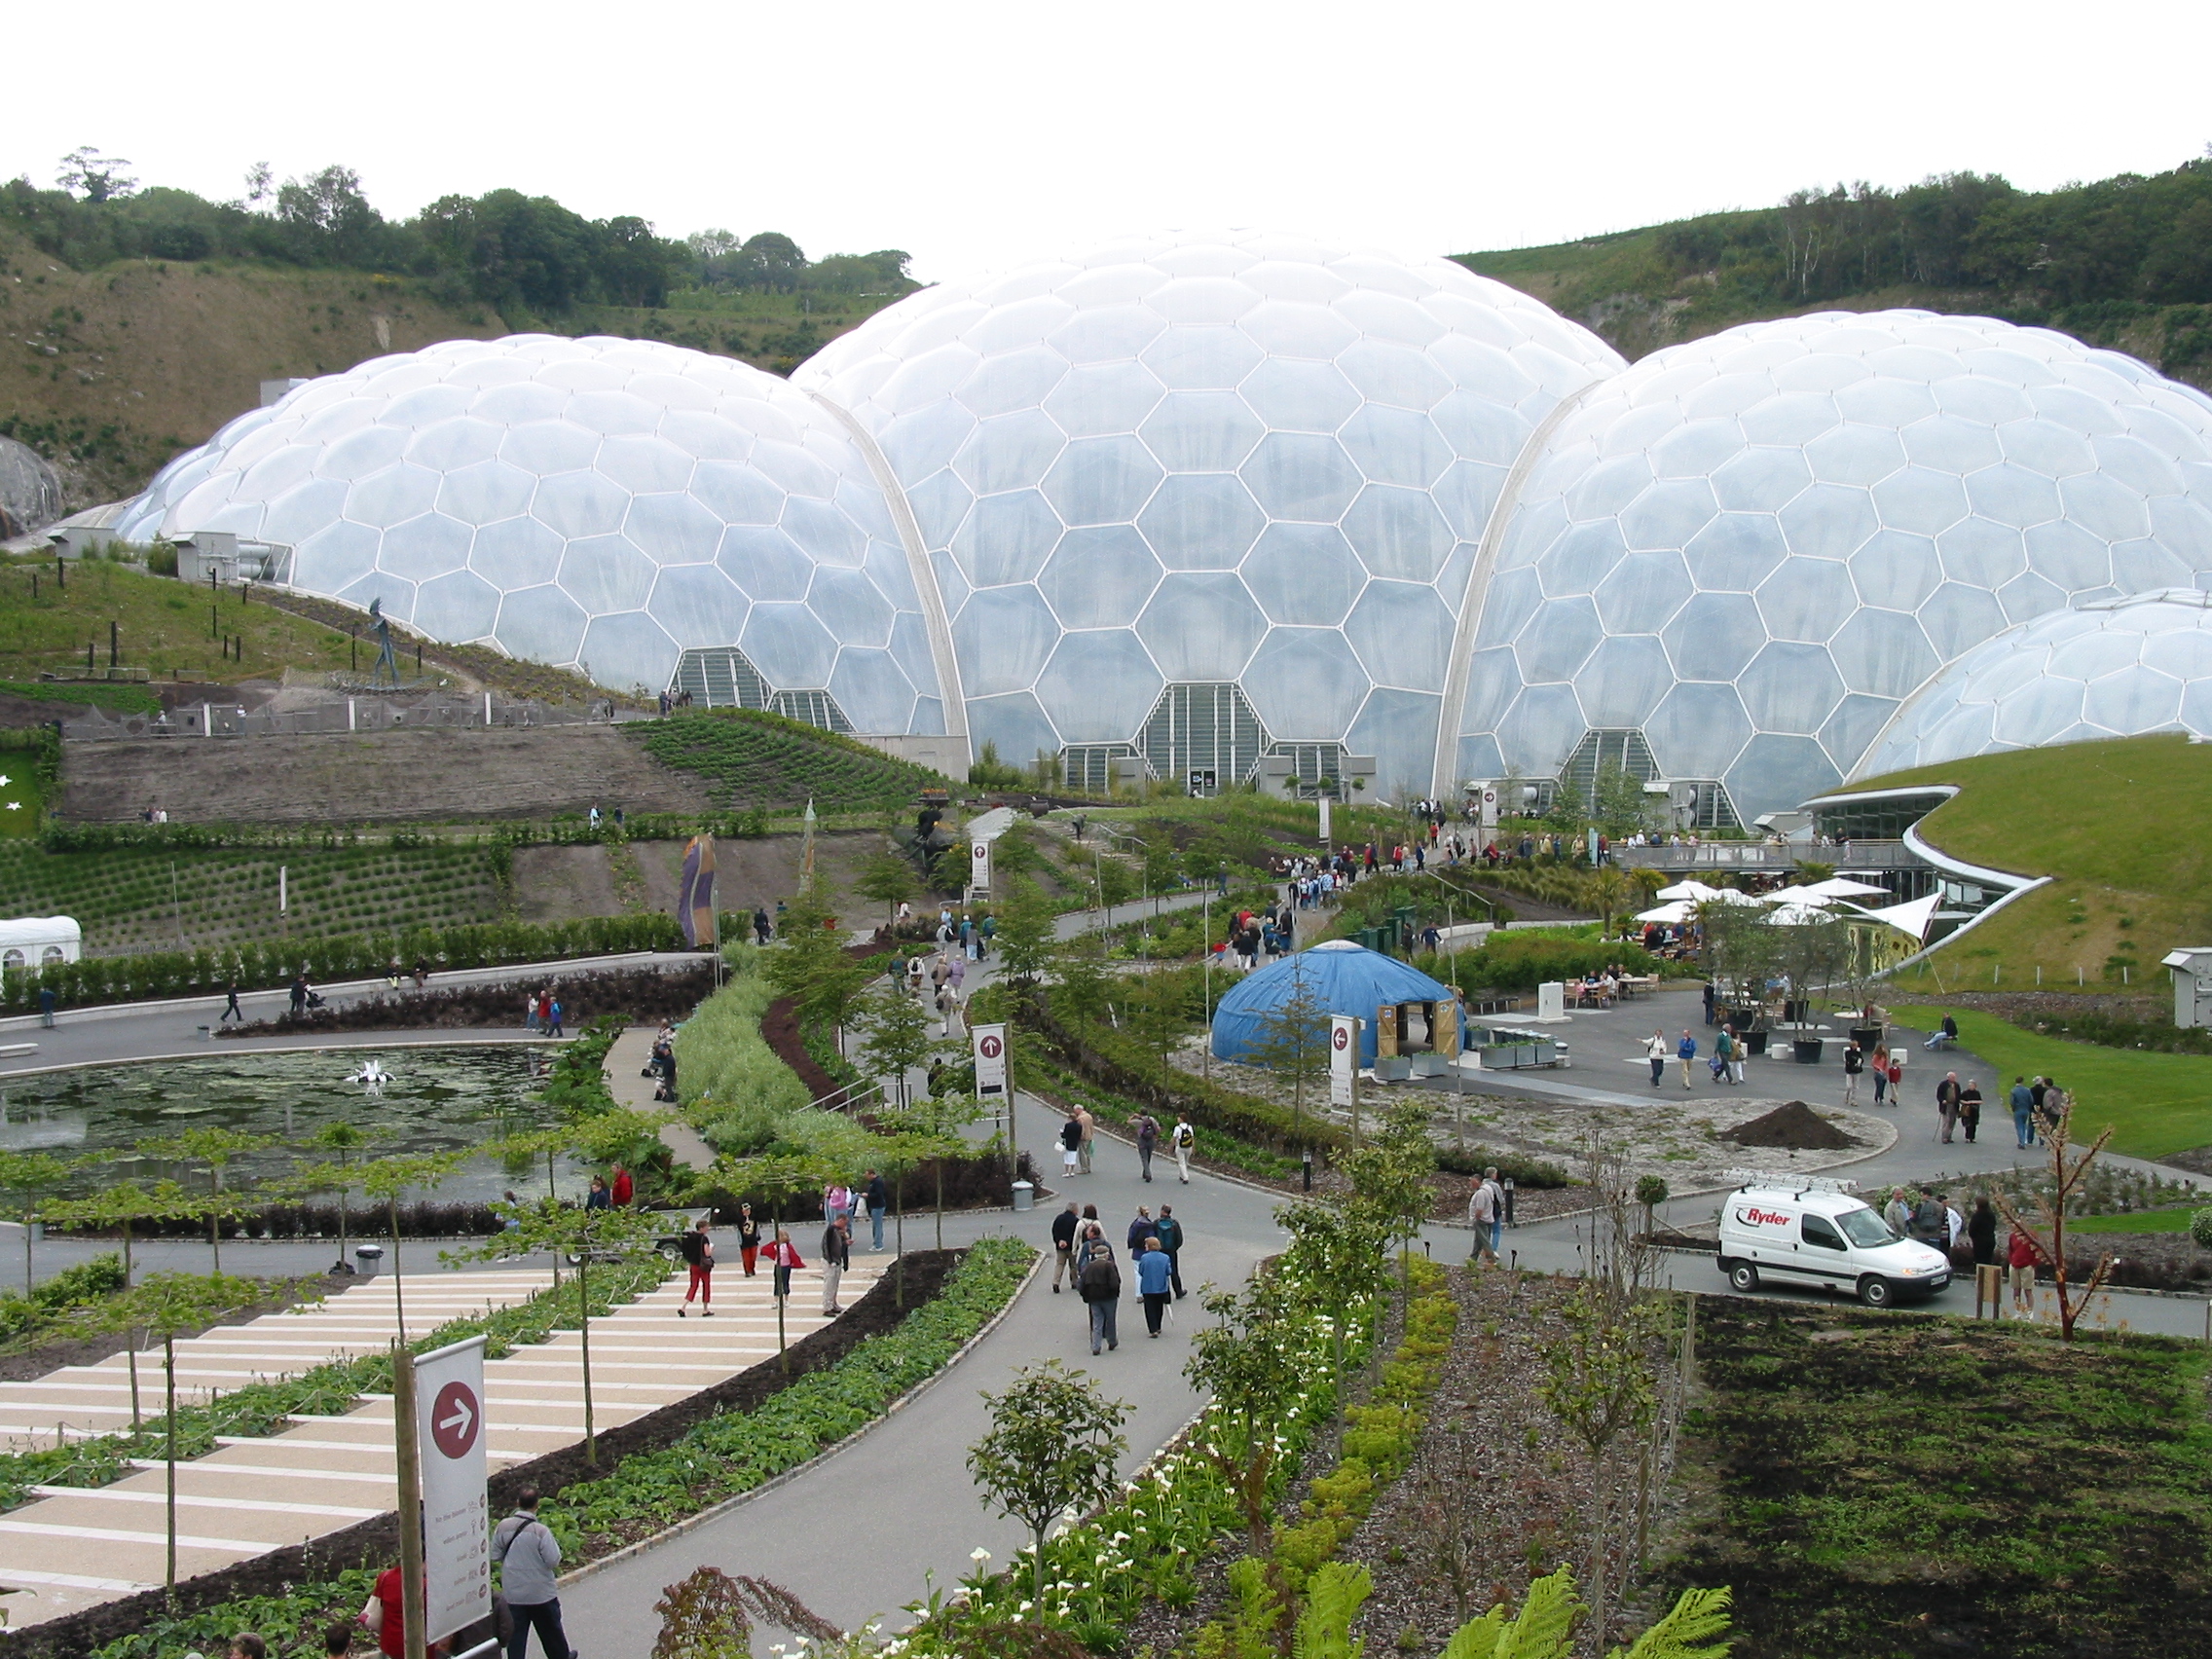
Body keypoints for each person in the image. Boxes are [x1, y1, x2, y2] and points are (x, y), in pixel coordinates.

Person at [492, 1489, 571, 1659]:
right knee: (551, 1633)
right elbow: (553, 1560)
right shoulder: (540, 1531)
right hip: (541, 1594)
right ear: (537, 1505)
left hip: (514, 1594)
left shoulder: (503, 1526)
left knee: (516, 1637)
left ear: (517, 1503)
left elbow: (495, 1555)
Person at [1078, 1228, 1120, 1353]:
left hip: (1094, 1298)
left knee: (1097, 1321)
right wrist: (1115, 1294)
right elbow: (1115, 1282)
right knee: (1110, 1320)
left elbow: (1082, 1283)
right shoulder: (1109, 1266)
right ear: (1106, 1255)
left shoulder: (1089, 1266)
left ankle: (1096, 1346)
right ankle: (1112, 1341)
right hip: (1109, 1298)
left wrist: (1085, 1296)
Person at [677, 1216, 714, 1316]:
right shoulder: (704, 1238)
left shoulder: (689, 1237)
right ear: (701, 1228)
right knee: (706, 1286)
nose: (707, 1229)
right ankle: (705, 1309)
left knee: (693, 1286)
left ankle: (683, 1306)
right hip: (703, 1266)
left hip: (693, 1265)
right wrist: (711, 1248)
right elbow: (707, 1253)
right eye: (706, 1227)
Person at [1137, 1236, 1174, 1337]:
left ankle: (1152, 1329)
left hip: (1148, 1287)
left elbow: (1141, 1271)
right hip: (1161, 1286)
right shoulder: (1165, 1257)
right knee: (1159, 1307)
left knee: (1149, 1308)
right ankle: (1158, 1326)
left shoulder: (1144, 1257)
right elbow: (1169, 1271)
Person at [2008, 1225, 2042, 1318]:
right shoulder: (2012, 1236)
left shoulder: (2031, 1236)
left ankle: (2029, 1313)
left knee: (2028, 1291)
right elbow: (2010, 1250)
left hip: (2026, 1267)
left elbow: (2038, 1251)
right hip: (2014, 1266)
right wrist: (2011, 1261)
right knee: (2016, 1290)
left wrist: (2033, 1264)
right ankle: (2017, 1312)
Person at [821, 1213, 851, 1315]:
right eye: (845, 1223)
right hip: (830, 1261)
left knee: (835, 1284)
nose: (845, 1226)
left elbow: (840, 1246)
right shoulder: (831, 1230)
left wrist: (845, 1240)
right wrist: (830, 1260)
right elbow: (825, 1246)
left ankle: (833, 1303)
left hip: (837, 1260)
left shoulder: (839, 1231)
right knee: (829, 1284)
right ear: (841, 1220)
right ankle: (827, 1307)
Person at [1154, 1203, 1187, 1298]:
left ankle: (1165, 1293)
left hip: (1160, 1251)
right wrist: (1175, 1248)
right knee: (1174, 1271)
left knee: (1162, 1272)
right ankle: (1178, 1292)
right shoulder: (1174, 1223)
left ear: (1162, 1211)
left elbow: (1153, 1235)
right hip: (1171, 1251)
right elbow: (1179, 1239)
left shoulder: (1156, 1223)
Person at [1468, 1173, 1499, 1266]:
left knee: (1484, 1240)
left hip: (1481, 1219)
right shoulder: (1488, 1189)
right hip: (1488, 1217)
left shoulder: (1481, 1193)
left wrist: (1475, 1218)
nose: (1471, 1185)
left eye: (1473, 1183)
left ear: (1478, 1182)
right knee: (1478, 1240)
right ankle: (1473, 1257)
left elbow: (1479, 1208)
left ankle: (1491, 1259)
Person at [767, 1227, 803, 1304]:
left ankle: (786, 1300)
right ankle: (776, 1301)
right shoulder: (775, 1245)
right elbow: (767, 1249)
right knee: (777, 1283)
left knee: (785, 1283)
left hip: (786, 1266)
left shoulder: (787, 1246)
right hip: (778, 1266)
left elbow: (793, 1255)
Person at [1051, 1200, 1081, 1293]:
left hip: (1060, 1247)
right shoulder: (1075, 1221)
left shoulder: (1059, 1218)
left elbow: (1054, 1231)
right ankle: (1074, 1282)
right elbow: (1076, 1234)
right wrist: (1069, 1242)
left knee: (1059, 1264)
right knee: (1073, 1265)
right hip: (1072, 1247)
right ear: (1074, 1210)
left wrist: (1059, 1241)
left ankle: (1056, 1282)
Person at [1968, 1197, 1998, 1266]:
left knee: (1980, 1262)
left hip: (1979, 1242)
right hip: (1990, 1240)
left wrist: (1974, 1238)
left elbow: (1971, 1230)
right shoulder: (1991, 1215)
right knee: (1988, 1260)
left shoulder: (1977, 1216)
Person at [865, 1168, 888, 1251]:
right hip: (873, 1206)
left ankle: (879, 1244)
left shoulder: (878, 1182)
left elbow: (879, 1194)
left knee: (878, 1226)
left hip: (878, 1206)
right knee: (875, 1225)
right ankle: (876, 1243)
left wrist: (868, 1195)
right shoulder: (873, 1182)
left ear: (872, 1174)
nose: (867, 1177)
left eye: (867, 1175)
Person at [2009, 1076, 2037, 1148]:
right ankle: (2024, 1140)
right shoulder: (2027, 1090)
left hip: (2018, 1110)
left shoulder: (2014, 1091)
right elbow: (2031, 1101)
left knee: (2019, 1126)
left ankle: (2021, 1142)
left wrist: (2013, 1108)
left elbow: (2012, 1102)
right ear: (2022, 1082)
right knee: (2024, 1125)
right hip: (2026, 1110)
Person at [736, 1202, 761, 1276]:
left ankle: (752, 1268)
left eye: (748, 1210)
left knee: (753, 1256)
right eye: (746, 1210)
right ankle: (747, 1271)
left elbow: (757, 1228)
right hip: (744, 1242)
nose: (747, 1211)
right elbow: (739, 1231)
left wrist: (758, 1236)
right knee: (746, 1258)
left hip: (753, 1240)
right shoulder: (740, 1220)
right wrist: (740, 1241)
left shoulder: (754, 1219)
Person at [1936, 1071, 1962, 1144]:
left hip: (1954, 1105)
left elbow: (1958, 1095)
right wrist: (1942, 1100)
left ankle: (1949, 1137)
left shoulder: (1956, 1085)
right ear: (1948, 1077)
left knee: (1952, 1121)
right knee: (1946, 1121)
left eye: (1954, 1077)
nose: (1954, 1078)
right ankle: (1944, 1137)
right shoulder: (1943, 1084)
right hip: (1946, 1106)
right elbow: (1939, 1094)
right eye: (1952, 1077)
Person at [1133, 1112, 1160, 1182]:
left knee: (1144, 1158)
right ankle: (1145, 1172)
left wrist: (1134, 1116)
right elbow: (1157, 1130)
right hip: (1151, 1141)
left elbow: (1128, 1122)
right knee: (1148, 1157)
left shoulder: (1139, 1122)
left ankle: (1148, 1174)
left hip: (1142, 1142)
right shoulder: (1152, 1121)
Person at [1171, 1115, 1196, 1183]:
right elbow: (1192, 1138)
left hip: (1180, 1147)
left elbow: (1174, 1138)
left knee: (1181, 1163)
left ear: (1181, 1119)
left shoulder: (1177, 1128)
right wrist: (1193, 1147)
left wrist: (1171, 1146)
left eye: (1179, 1118)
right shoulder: (1189, 1127)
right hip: (1189, 1147)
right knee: (1186, 1162)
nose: (1177, 1119)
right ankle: (1181, 1175)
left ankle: (1185, 1177)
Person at [1959, 1079, 1983, 1144]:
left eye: (1972, 1085)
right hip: (1967, 1110)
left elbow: (1981, 1101)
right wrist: (1966, 1102)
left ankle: (1972, 1138)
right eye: (1970, 1085)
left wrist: (1973, 1102)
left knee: (1974, 1124)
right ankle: (1967, 1137)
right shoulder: (1965, 1092)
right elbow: (1960, 1100)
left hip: (1975, 1110)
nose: (1971, 1087)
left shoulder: (1977, 1093)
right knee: (1967, 1124)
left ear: (1975, 1086)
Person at [1060, 1112, 1083, 1179]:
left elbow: (1064, 1135)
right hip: (1075, 1143)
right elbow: (1079, 1135)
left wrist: (1061, 1133)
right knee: (1073, 1157)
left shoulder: (1068, 1125)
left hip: (1068, 1142)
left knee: (1067, 1158)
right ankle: (1072, 1171)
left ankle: (1067, 1172)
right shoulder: (1079, 1126)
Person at [1842, 1040, 1864, 1108]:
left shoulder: (1858, 1053)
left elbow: (1861, 1060)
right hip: (1849, 1071)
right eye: (1854, 1045)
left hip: (1856, 1071)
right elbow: (1848, 1060)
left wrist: (1859, 1063)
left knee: (1855, 1086)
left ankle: (1853, 1100)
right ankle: (1847, 1097)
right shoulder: (1848, 1053)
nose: (1855, 1047)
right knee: (1849, 1086)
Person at [1077, 1104, 1096, 1174]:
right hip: (1089, 1136)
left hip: (1084, 1137)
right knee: (1088, 1153)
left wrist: (1080, 1136)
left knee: (1082, 1153)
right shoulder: (1089, 1116)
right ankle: (1088, 1167)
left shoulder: (1080, 1118)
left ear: (1078, 1109)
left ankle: (1084, 1169)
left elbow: (1082, 1129)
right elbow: (1091, 1126)